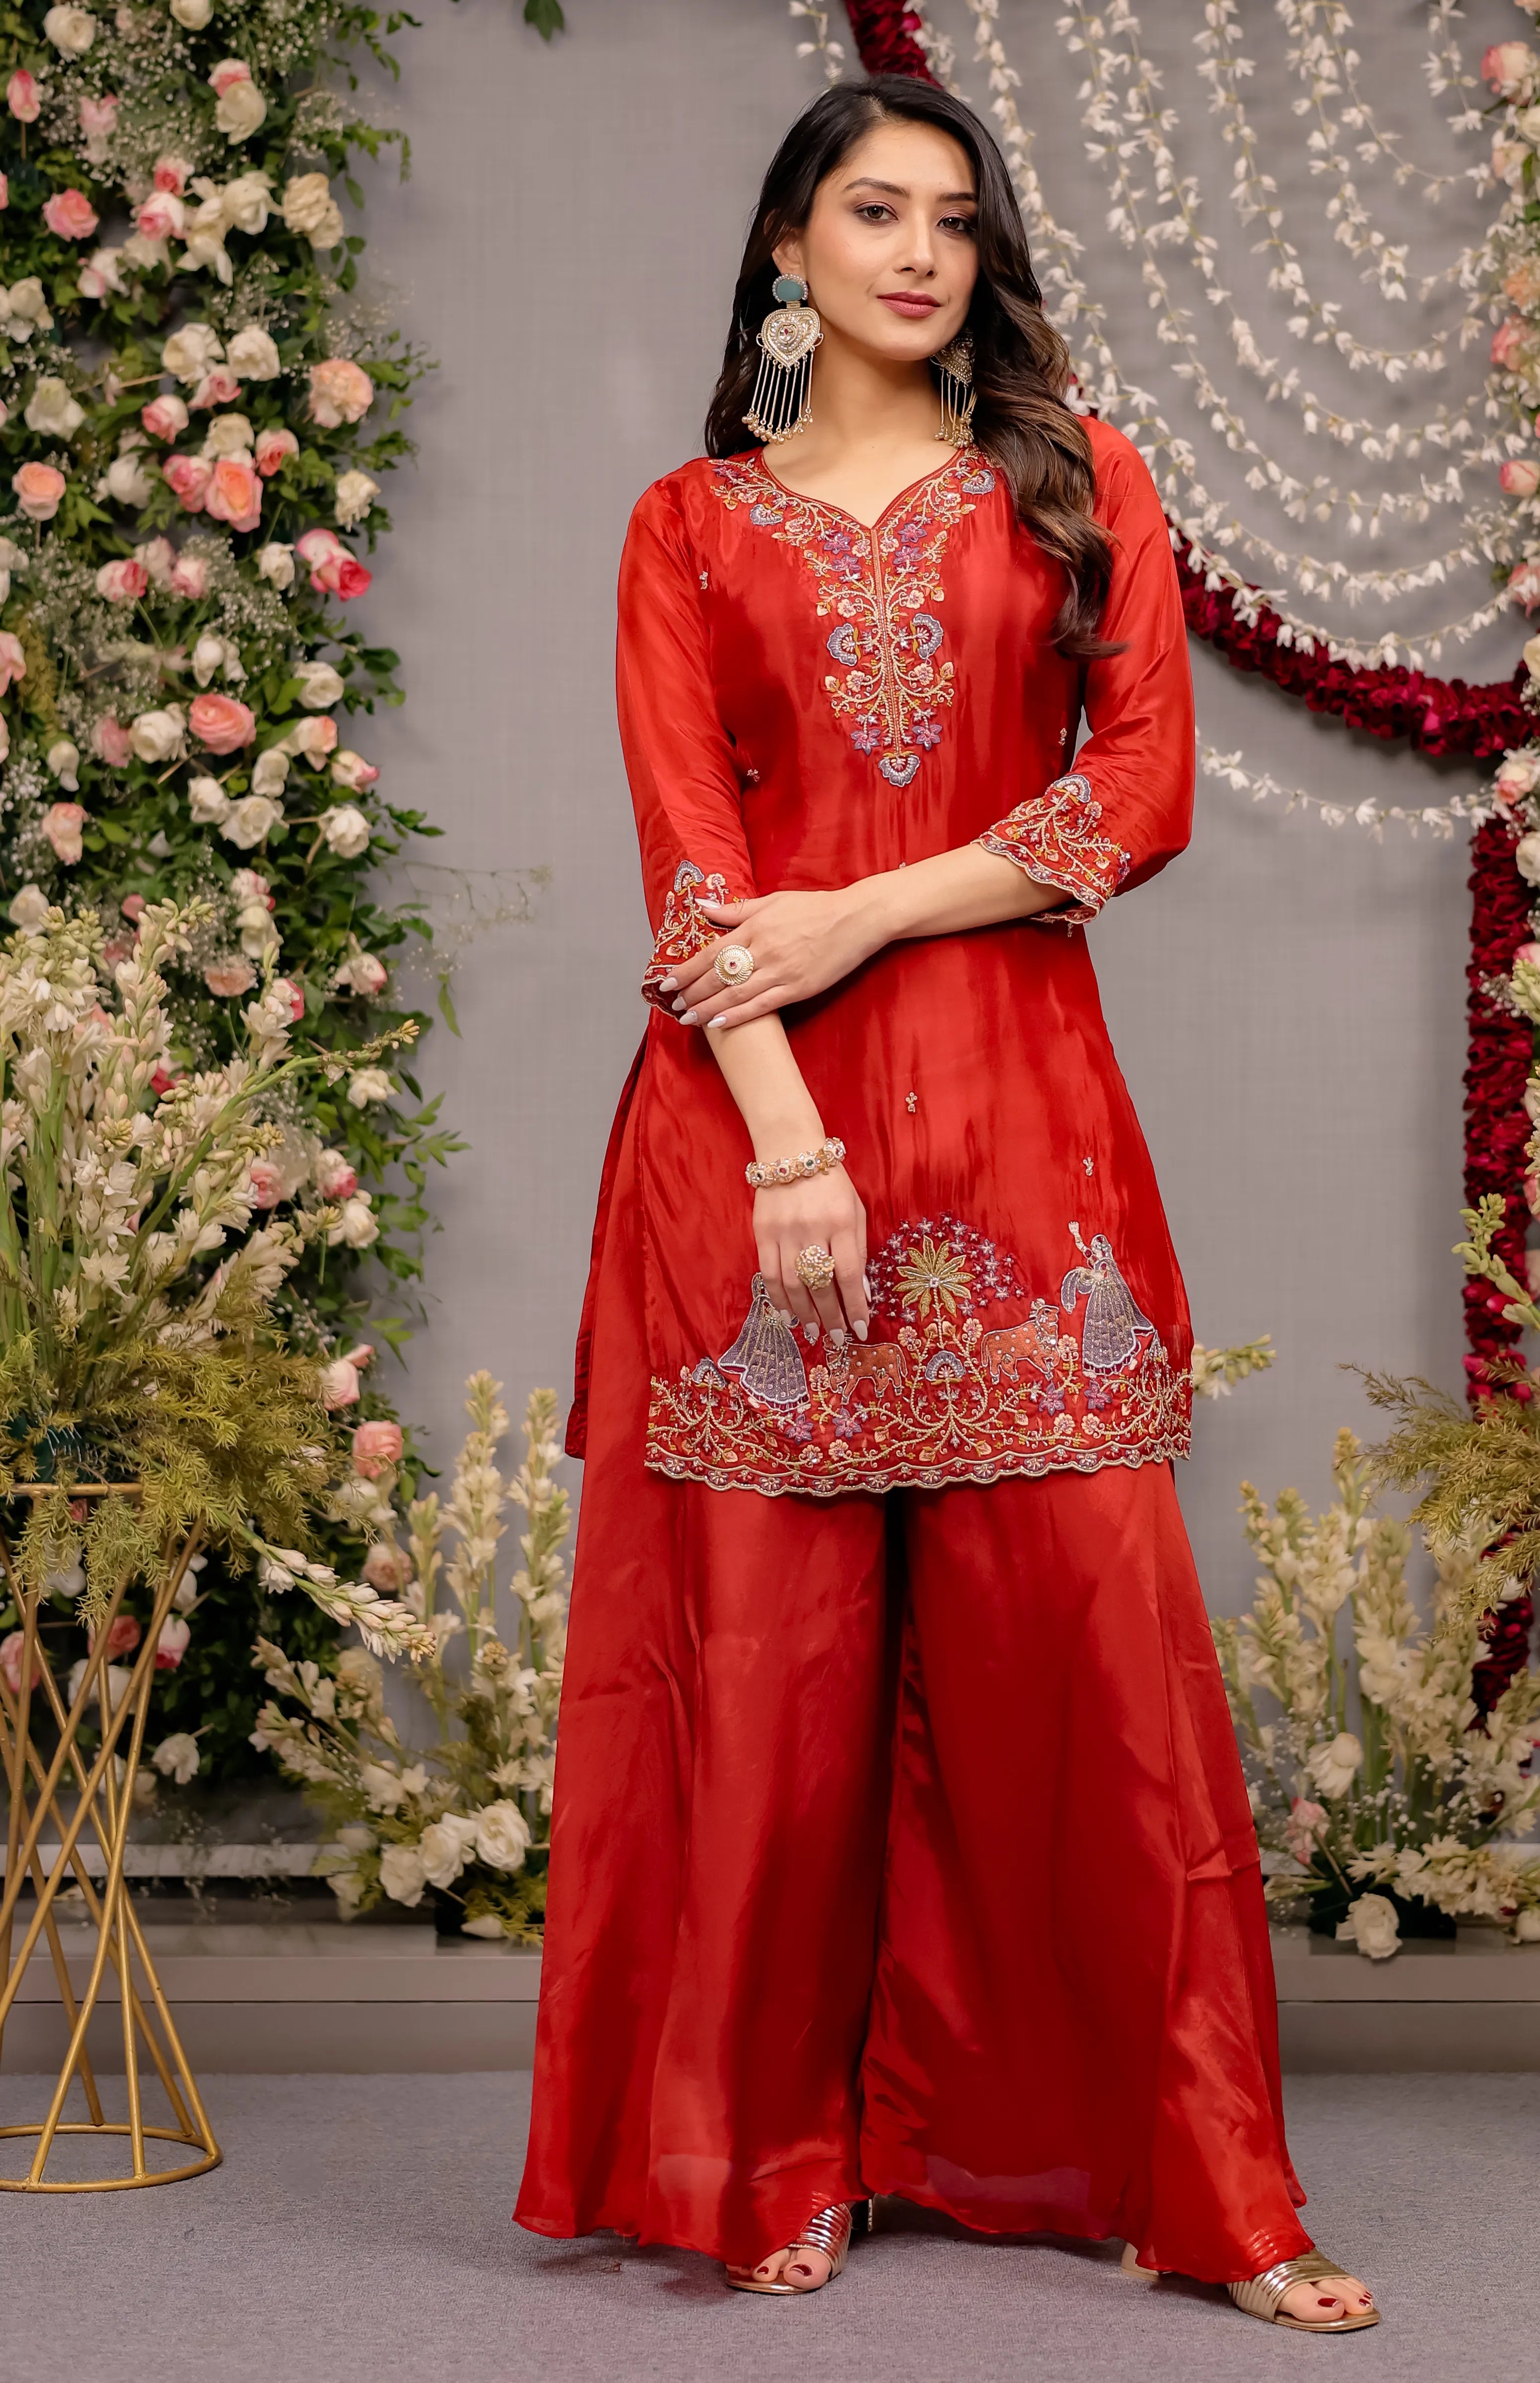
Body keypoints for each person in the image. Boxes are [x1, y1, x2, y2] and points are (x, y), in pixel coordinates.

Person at [513, 73, 1377, 2335]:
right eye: (870, 211)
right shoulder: (684, 529)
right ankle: (768, 2161)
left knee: (1084, 1672)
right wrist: (785, 1132)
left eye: (954, 223)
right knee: (769, 1687)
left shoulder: (1076, 488)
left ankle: (1201, 2186)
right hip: (753, 1140)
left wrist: (866, 907)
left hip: (1012, 1127)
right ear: (786, 245)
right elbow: (693, 867)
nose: (917, 254)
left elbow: (1135, 796)